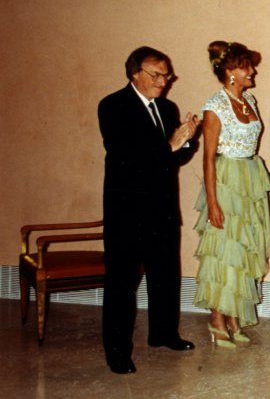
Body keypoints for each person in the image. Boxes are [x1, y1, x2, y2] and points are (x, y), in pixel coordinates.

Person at [98, 46, 199, 374]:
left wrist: (187, 140)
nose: (163, 81)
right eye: (156, 75)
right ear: (134, 73)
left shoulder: (168, 108)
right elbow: (127, 155)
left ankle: (164, 333)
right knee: (122, 284)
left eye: (167, 75)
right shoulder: (113, 106)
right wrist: (170, 144)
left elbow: (175, 159)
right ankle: (117, 351)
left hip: (163, 208)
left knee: (165, 276)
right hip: (127, 213)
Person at [193, 41, 270, 348]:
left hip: (250, 180)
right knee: (224, 251)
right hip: (227, 182)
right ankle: (217, 318)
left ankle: (234, 317)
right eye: (245, 66)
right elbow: (208, 158)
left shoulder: (250, 100)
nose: (252, 71)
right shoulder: (214, 107)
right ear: (229, 71)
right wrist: (212, 202)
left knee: (244, 250)